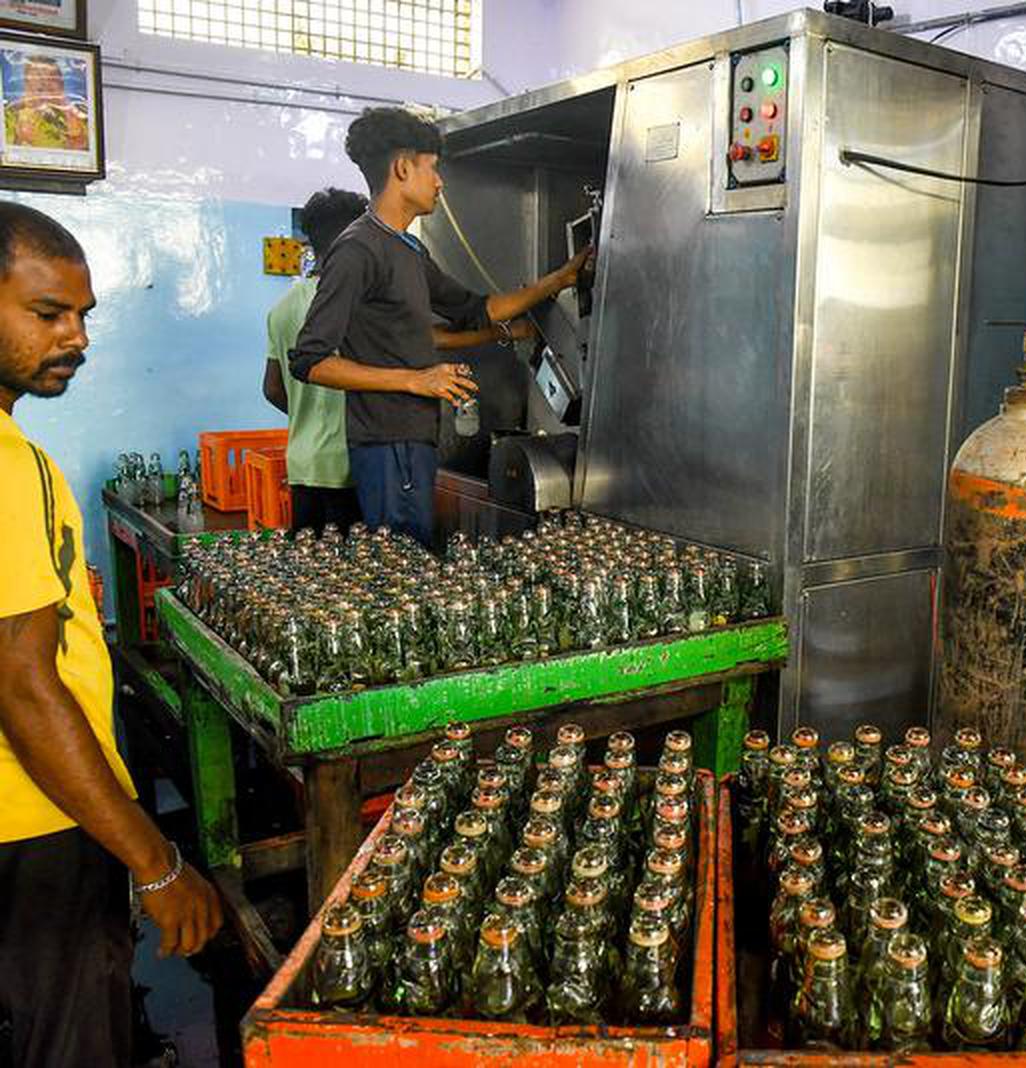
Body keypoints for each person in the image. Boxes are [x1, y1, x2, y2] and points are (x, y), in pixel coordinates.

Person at [0, 203, 222, 1068]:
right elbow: (22, 685)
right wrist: (157, 863)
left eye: (84, 315)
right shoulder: (10, 467)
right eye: (47, 312)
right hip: (36, 822)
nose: (78, 337)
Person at [289, 106, 589, 546]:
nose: (440, 181)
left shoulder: (407, 251)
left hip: (414, 441)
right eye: (432, 168)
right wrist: (417, 380)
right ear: (402, 168)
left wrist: (558, 280)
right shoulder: (357, 250)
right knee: (401, 568)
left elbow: (475, 309)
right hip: (386, 444)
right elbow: (309, 360)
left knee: (408, 559)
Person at [263, 187, 368, 534]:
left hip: (303, 464)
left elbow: (273, 389)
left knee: (313, 573)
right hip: (347, 468)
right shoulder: (352, 304)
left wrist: (308, 415)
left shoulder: (282, 308)